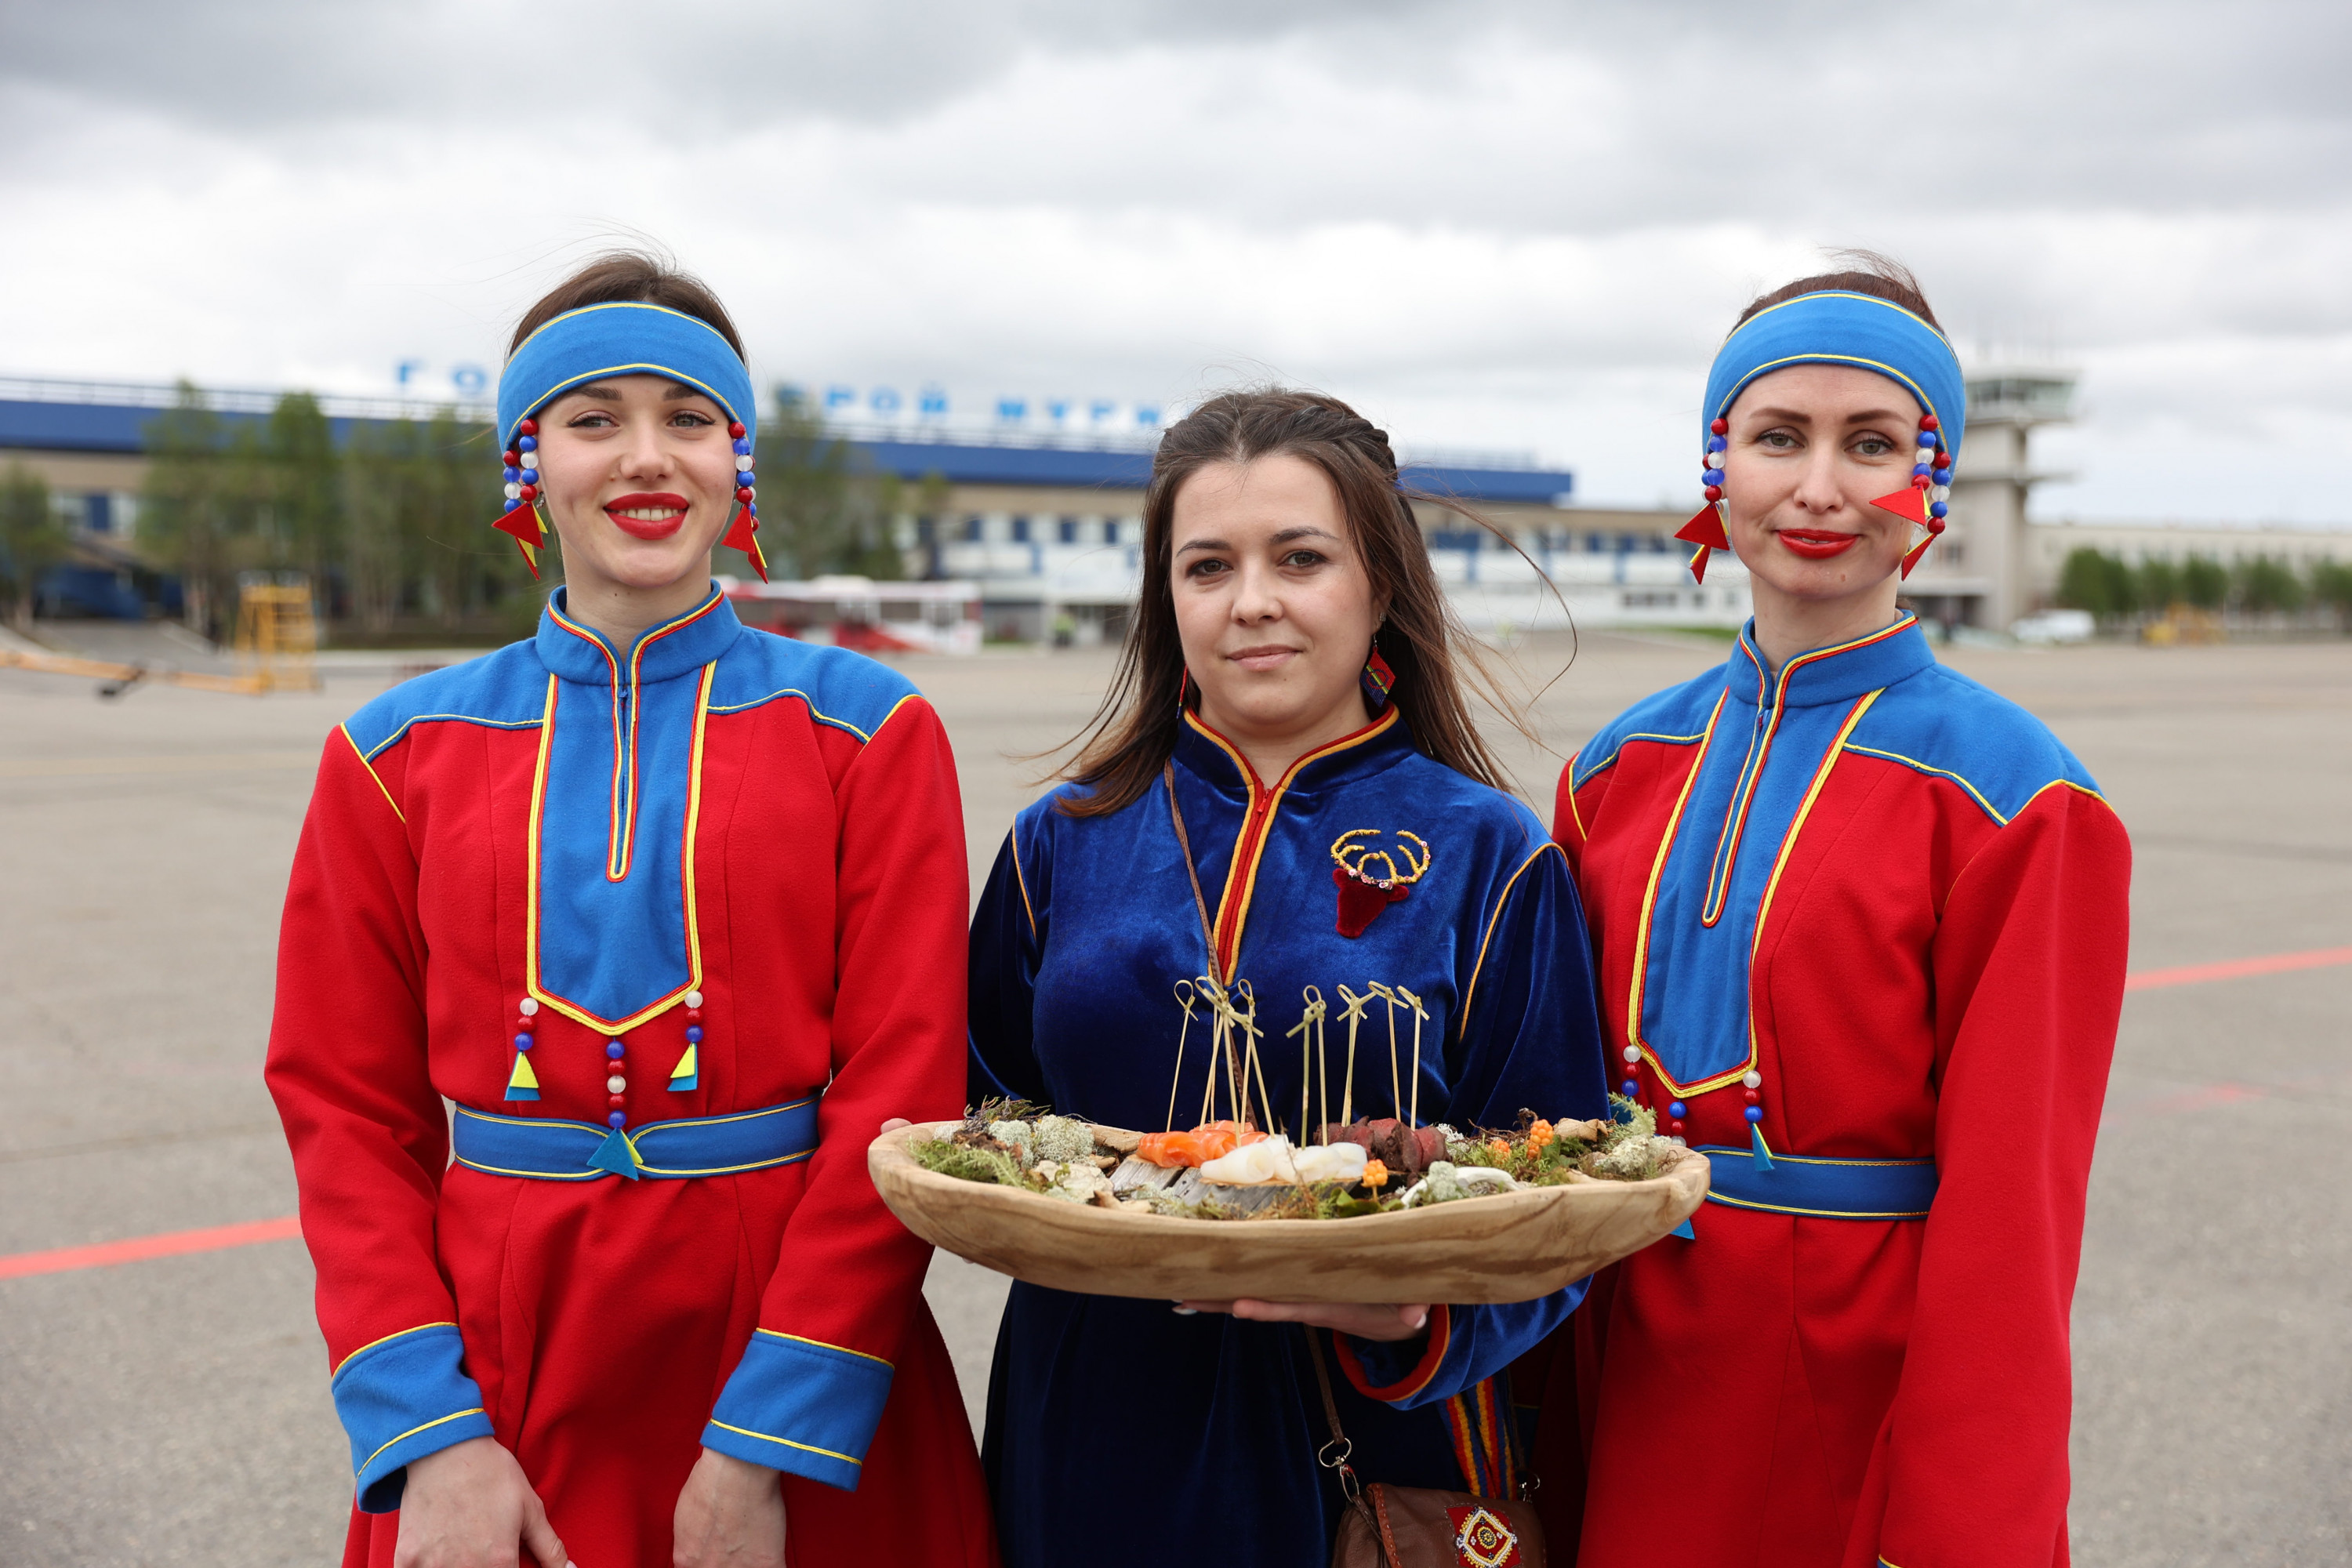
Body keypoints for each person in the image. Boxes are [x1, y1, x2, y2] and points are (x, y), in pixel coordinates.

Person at [264, 252, 996, 1568]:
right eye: (594, 419)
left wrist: (771, 1437)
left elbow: (904, 1089)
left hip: (797, 1362)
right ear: (526, 461)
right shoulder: (391, 755)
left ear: (739, 461)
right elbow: (344, 1107)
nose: (646, 460)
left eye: (689, 420)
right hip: (500, 1379)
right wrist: (430, 1435)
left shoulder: (870, 734)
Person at [1541, 257, 2132, 1565]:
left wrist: (1966, 1525)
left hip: (1849, 1395)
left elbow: (2013, 1222)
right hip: (1613, 1365)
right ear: (1717, 465)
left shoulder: (2016, 803)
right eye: (1777, 438)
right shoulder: (1612, 774)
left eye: (1873, 443)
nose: (1819, 488)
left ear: (1931, 482)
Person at [966, 390, 1611, 1566]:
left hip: (1378, 1442)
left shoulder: (1490, 854)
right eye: (1207, 565)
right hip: (1094, 1427)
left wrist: (1422, 1321)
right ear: (1167, 599)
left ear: (1381, 585)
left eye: (1299, 558)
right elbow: (984, 1120)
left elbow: (1568, 1198)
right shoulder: (1062, 842)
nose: (1251, 600)